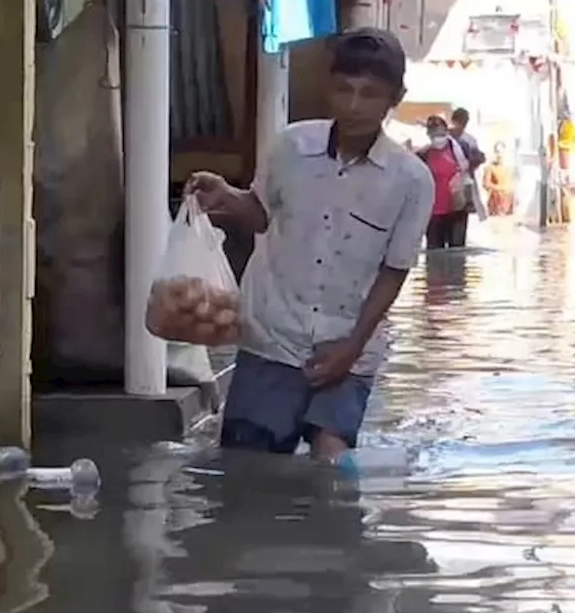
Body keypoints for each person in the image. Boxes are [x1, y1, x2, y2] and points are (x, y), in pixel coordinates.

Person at [184, 28, 434, 471]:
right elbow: (261, 214)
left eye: (369, 94)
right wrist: (226, 198)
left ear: (395, 97)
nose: (354, 106)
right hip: (271, 337)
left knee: (331, 469)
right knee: (246, 476)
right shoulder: (290, 147)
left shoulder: (411, 180)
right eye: (344, 89)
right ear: (328, 85)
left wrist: (352, 348)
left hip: (350, 345)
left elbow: (394, 272)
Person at [417, 115, 470, 249]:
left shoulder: (458, 149)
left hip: (457, 210)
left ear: (446, 132)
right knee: (434, 253)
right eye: (434, 133)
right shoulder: (423, 154)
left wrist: (461, 175)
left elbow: (476, 160)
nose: (438, 137)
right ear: (428, 134)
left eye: (441, 133)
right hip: (434, 213)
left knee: (457, 253)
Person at [482, 141, 515, 216]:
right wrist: (500, 188)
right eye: (497, 152)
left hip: (509, 202)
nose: (500, 154)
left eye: (502, 152)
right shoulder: (490, 167)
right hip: (496, 203)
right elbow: (486, 184)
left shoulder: (511, 168)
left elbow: (516, 183)